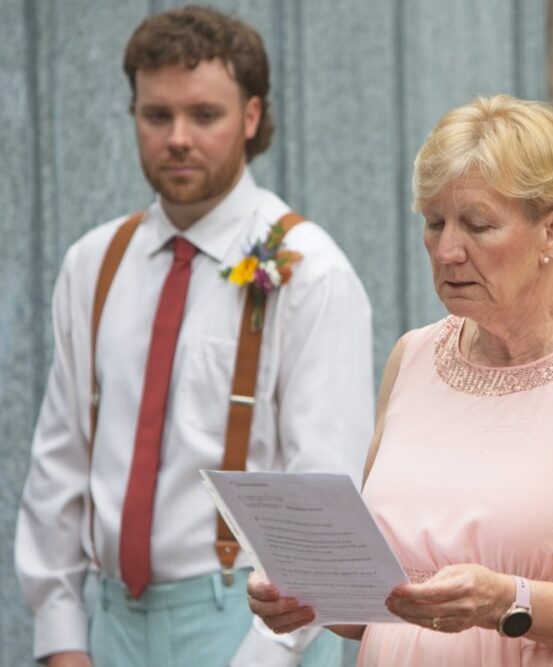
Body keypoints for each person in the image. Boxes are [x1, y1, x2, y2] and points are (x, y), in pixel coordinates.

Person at [247, 94, 553, 665]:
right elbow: (387, 605)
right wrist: (307, 594)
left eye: (478, 225)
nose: (446, 251)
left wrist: (510, 602)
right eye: (435, 222)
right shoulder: (413, 358)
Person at [15, 6, 373, 667]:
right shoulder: (94, 263)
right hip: (111, 625)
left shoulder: (310, 270)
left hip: (255, 626)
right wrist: (62, 636)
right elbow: (61, 462)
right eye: (157, 115)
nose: (177, 137)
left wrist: (263, 655)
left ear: (251, 116)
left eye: (203, 115)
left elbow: (325, 496)